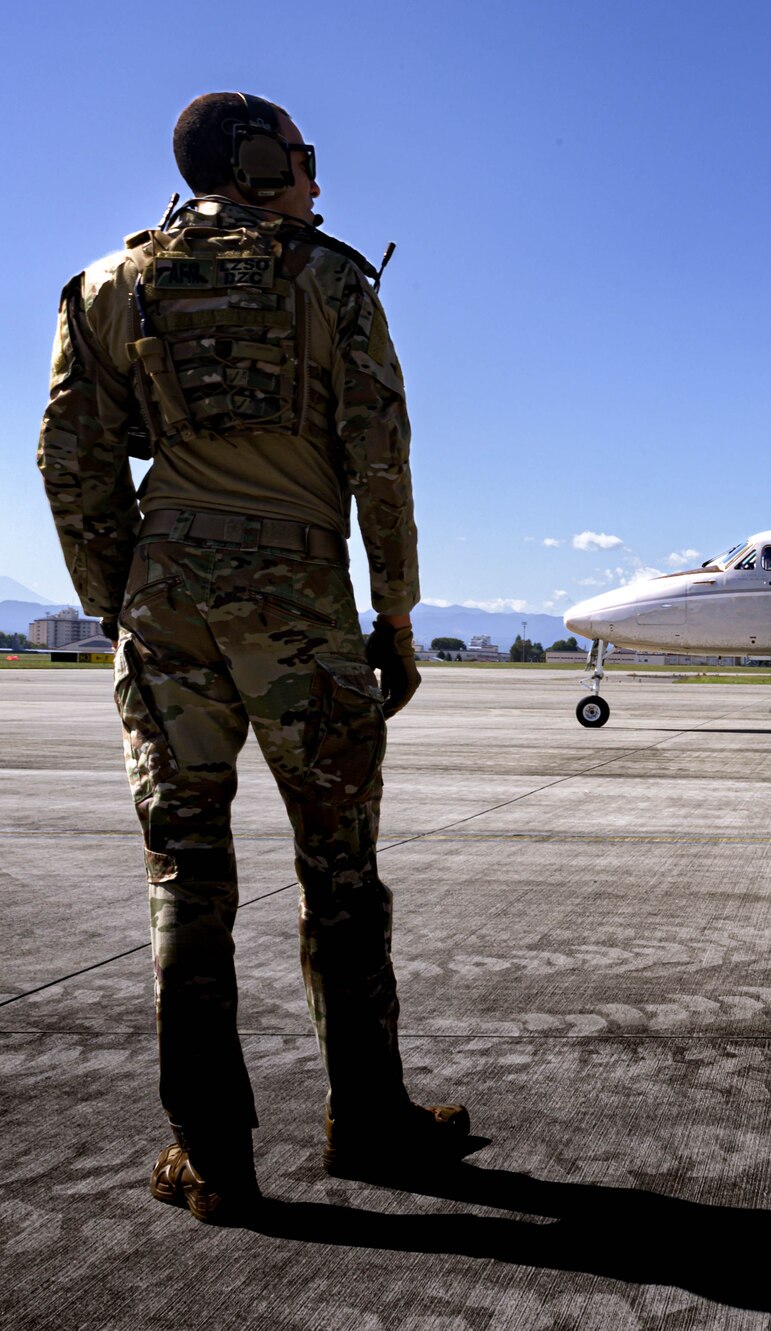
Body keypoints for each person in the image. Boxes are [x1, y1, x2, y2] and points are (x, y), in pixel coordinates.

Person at [37, 92, 469, 1224]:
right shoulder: (331, 281)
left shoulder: (102, 286)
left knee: (186, 874)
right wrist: (396, 614)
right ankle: (369, 1121)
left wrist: (121, 601)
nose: (318, 180)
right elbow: (382, 461)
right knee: (340, 874)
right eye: (305, 157)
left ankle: (212, 1155)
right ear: (265, 161)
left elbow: (69, 462)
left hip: (166, 600)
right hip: (298, 597)